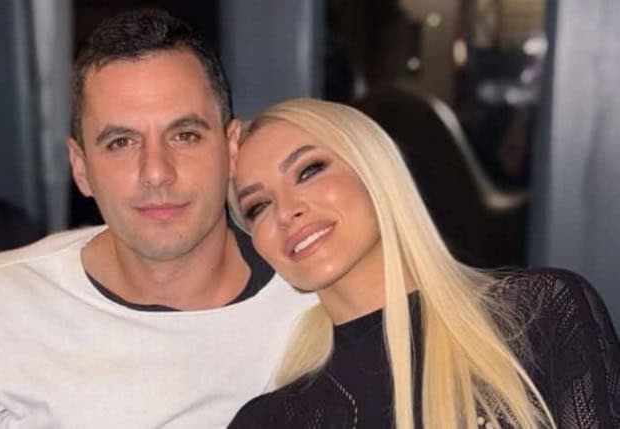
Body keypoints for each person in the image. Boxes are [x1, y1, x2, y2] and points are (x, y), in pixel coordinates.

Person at [0, 9, 315, 428]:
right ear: (80, 167)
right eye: (121, 142)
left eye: (184, 135)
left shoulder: (313, 300)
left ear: (232, 148)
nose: (156, 172)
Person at [227, 98, 620, 428]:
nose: (286, 212)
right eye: (258, 206)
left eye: (309, 171)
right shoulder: (272, 421)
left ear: (374, 169)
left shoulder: (540, 315)